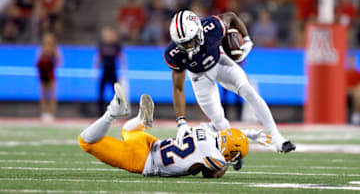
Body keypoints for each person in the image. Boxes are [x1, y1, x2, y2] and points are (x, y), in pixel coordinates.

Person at [163, 10, 295, 153]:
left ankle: (277, 138)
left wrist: (247, 39)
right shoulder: (173, 53)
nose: (188, 47)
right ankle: (236, 148)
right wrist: (181, 122)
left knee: (248, 91)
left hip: (220, 63)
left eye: (190, 41)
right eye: (183, 44)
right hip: (199, 77)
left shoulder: (212, 26)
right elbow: (178, 88)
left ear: (199, 31)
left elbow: (231, 16)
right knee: (220, 122)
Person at [78, 83, 271, 177]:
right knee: (85, 141)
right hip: (145, 161)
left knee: (127, 133)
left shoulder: (207, 131)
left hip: (151, 143)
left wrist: (244, 135)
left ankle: (140, 121)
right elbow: (210, 174)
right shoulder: (216, 157)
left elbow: (224, 134)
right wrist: (231, 160)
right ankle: (113, 112)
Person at [94, 26, 123, 115]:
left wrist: (123, 70)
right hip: (104, 71)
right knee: (101, 92)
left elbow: (121, 57)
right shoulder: (102, 45)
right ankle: (100, 111)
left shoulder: (116, 45)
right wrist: (95, 69)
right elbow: (98, 57)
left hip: (113, 72)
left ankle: (118, 110)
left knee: (116, 92)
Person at [36, 32, 61, 121]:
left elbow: (59, 62)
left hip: (50, 74)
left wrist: (53, 62)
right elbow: (37, 62)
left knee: (52, 95)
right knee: (43, 95)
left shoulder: (55, 50)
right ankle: (43, 113)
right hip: (43, 74)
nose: (47, 41)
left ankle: (52, 114)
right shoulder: (41, 50)